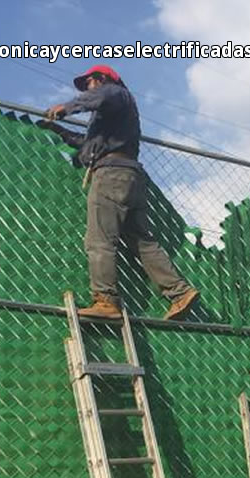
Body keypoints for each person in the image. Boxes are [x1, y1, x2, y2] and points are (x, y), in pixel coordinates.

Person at [40, 64, 198, 320]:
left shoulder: (115, 93)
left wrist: (66, 108)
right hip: (129, 176)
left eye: (89, 83)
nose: (87, 89)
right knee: (142, 241)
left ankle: (106, 301)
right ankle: (179, 292)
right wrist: (59, 130)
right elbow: (87, 145)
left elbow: (98, 97)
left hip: (111, 175)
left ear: (101, 79)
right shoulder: (114, 116)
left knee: (99, 239)